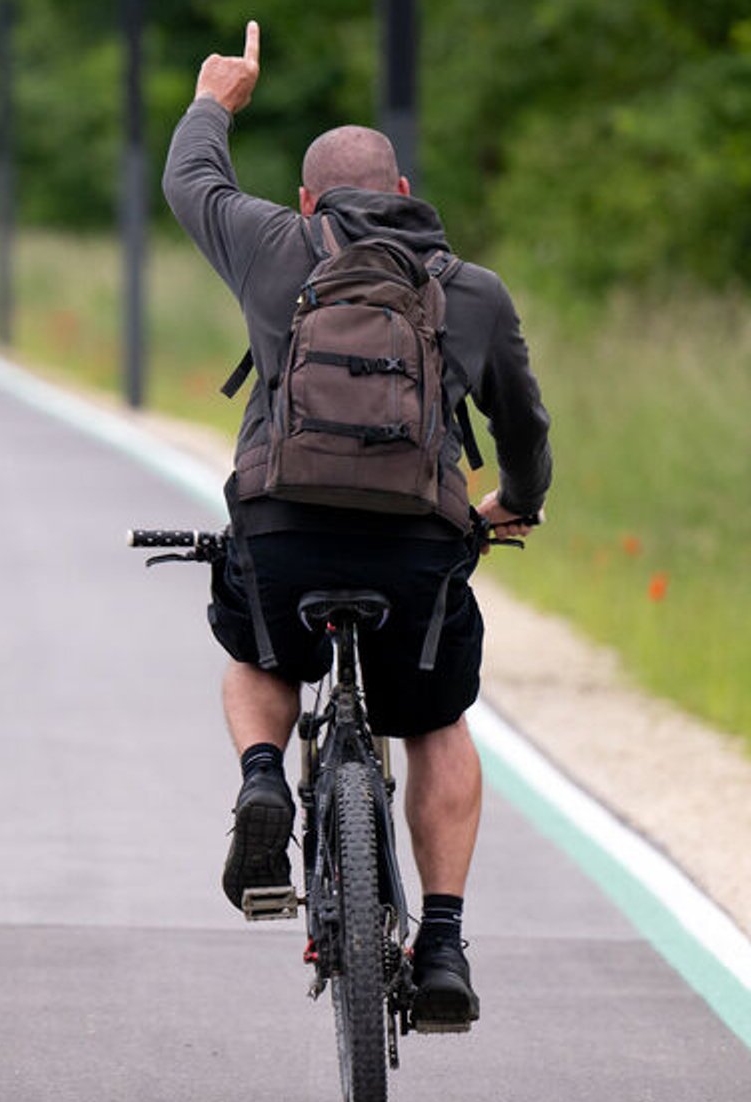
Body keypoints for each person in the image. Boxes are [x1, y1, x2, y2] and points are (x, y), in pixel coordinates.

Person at [162, 20, 551, 1030]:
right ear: (406, 197)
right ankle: (445, 944)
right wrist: (515, 501)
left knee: (257, 647)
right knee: (433, 722)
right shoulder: (469, 291)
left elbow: (189, 183)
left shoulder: (272, 248)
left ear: (307, 201)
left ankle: (261, 781)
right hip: (418, 545)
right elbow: (522, 426)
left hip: (282, 532)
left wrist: (216, 99)